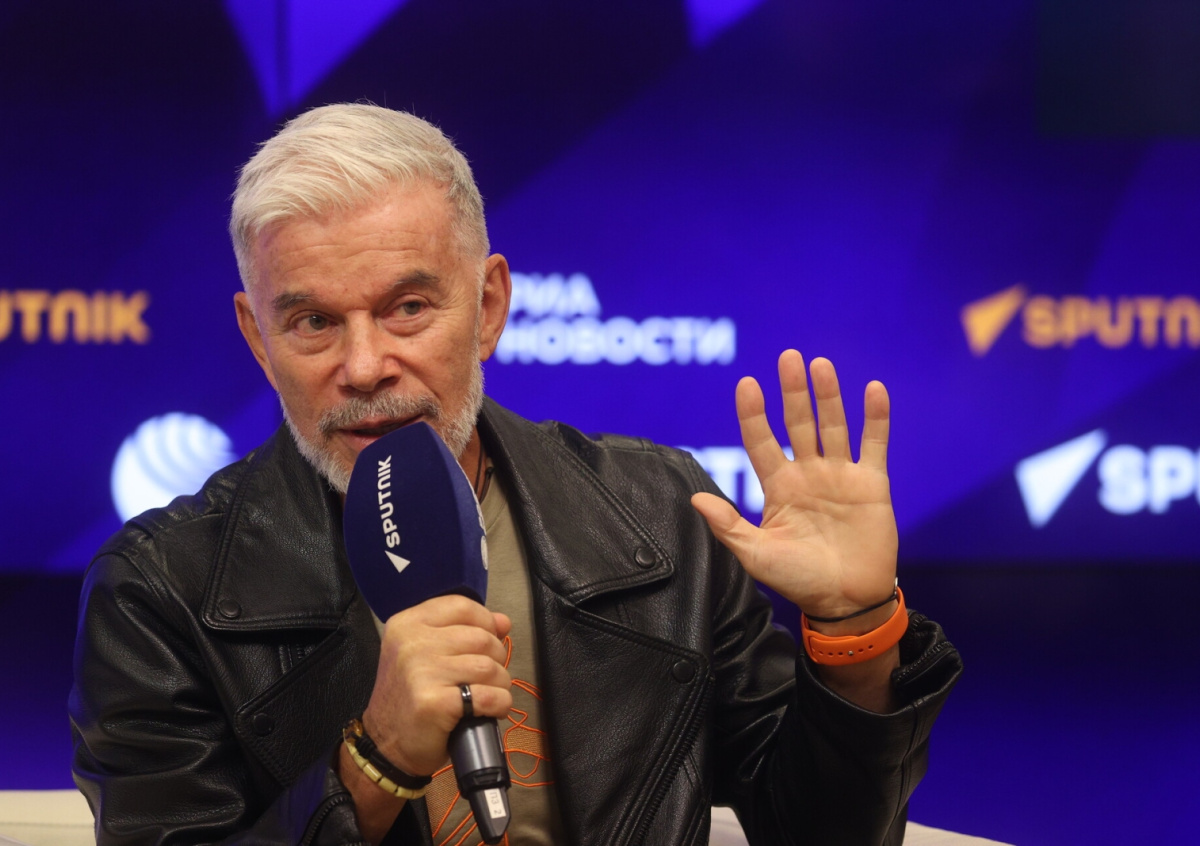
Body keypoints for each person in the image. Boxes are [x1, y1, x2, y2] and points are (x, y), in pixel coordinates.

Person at [70, 103, 961, 846]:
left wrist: (853, 629)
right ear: (258, 340)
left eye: (407, 307)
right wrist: (376, 762)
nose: (366, 366)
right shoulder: (159, 590)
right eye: (313, 323)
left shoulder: (658, 513)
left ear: (490, 306)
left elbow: (821, 830)